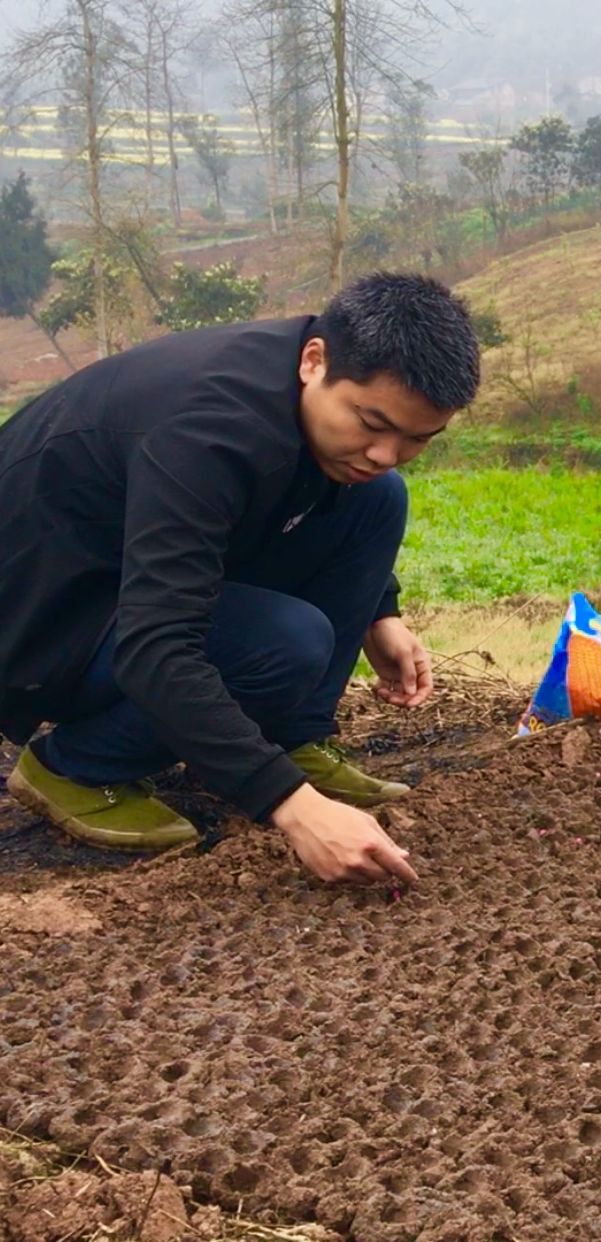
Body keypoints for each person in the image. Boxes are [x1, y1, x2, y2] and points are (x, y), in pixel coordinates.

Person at [0, 272, 483, 889]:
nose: (386, 451)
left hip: (129, 565)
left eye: (418, 438)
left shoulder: (306, 382)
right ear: (315, 361)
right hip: (41, 612)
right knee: (286, 644)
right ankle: (76, 765)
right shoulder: (207, 431)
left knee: (378, 497)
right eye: (371, 422)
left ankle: (289, 735)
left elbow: (311, 499)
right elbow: (158, 647)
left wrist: (378, 611)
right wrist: (293, 807)